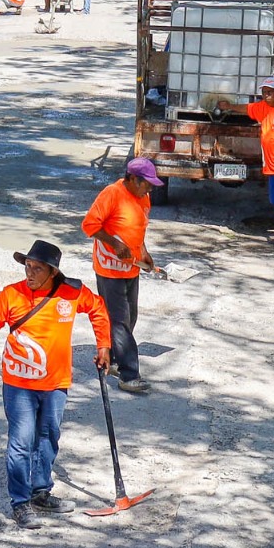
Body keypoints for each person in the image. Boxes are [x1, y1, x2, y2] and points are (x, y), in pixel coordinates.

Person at [0, 240, 111, 529]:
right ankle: (20, 503)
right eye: (27, 267)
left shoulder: (72, 293)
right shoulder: (11, 295)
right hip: (18, 383)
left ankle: (41, 491)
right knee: (21, 440)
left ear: (52, 272)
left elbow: (99, 309)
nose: (29, 273)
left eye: (37, 268)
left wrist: (103, 345)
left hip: (55, 383)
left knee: (48, 436)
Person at [81, 157, 163, 395]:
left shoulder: (144, 197)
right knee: (119, 321)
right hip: (109, 269)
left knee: (130, 317)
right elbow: (89, 225)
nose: (150, 188)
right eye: (146, 183)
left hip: (132, 266)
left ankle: (116, 359)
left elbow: (139, 229)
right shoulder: (112, 194)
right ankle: (129, 375)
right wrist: (114, 243)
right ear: (132, 179)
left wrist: (144, 253)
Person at [218, 76, 274, 243]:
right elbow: (248, 108)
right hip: (272, 164)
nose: (266, 96)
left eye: (270, 93)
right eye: (264, 93)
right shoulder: (264, 107)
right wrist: (229, 106)